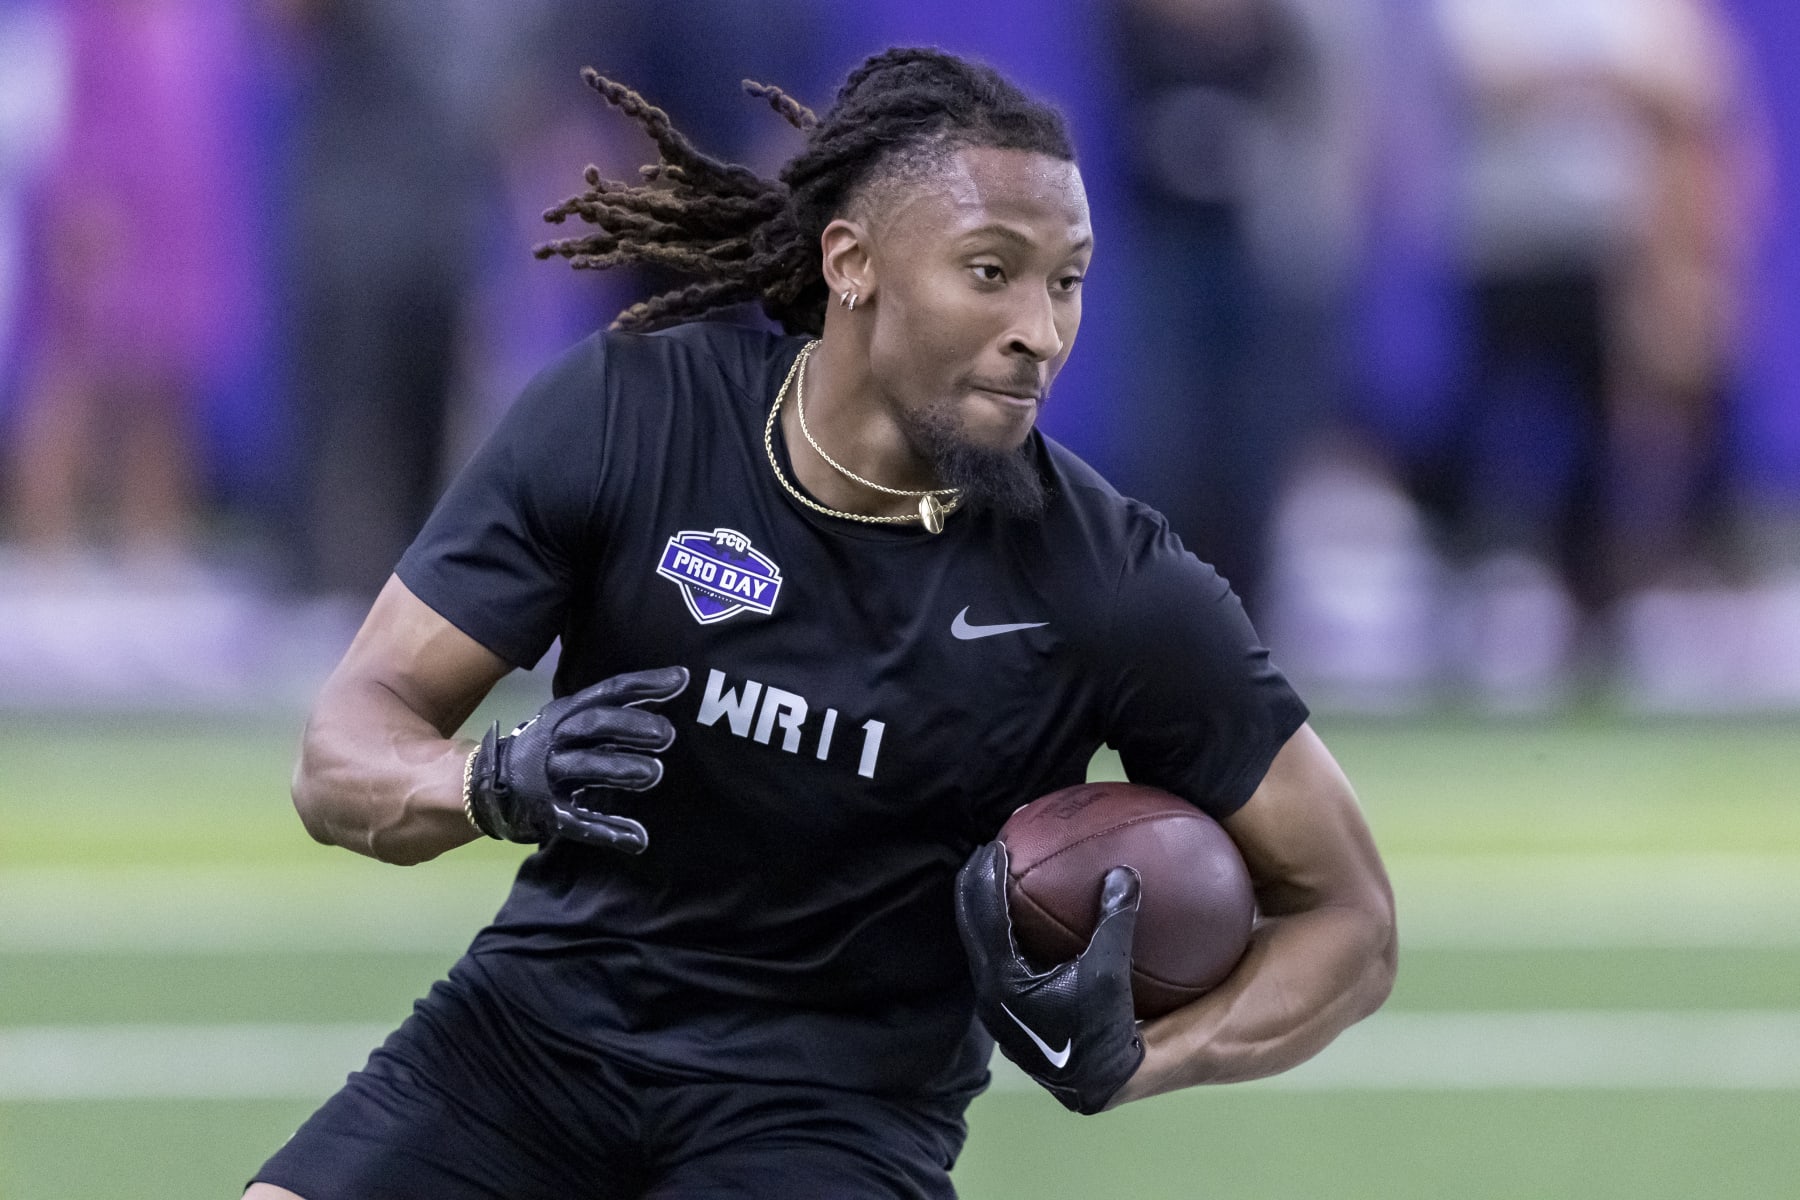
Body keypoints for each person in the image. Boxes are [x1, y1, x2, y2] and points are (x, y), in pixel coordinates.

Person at [247, 48, 1395, 1200]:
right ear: (851, 263)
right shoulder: (628, 413)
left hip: (829, 1121)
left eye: (1068, 282)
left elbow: (1349, 919)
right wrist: (487, 783)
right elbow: (341, 751)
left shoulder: (1110, 582)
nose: (1040, 330)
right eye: (991, 271)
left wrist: (1140, 1057)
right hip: (525, 1047)